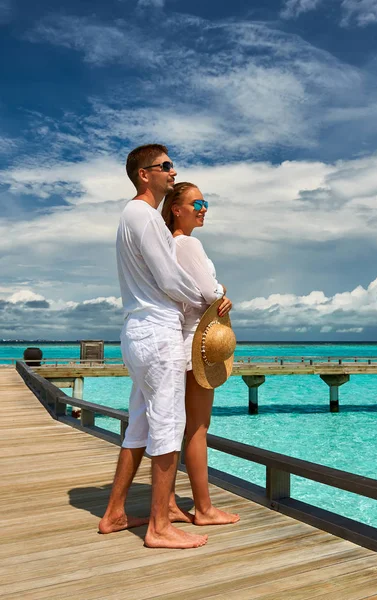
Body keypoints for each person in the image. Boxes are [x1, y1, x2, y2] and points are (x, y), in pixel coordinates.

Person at [99, 145, 212, 549]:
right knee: (168, 427)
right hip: (158, 331)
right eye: (165, 166)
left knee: (141, 425)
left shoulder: (134, 218)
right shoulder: (143, 216)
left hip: (139, 331)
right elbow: (170, 279)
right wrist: (207, 298)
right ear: (144, 175)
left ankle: (114, 512)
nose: (172, 171)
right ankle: (160, 527)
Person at [162, 182, 240, 526]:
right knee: (197, 428)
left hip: (182, 340)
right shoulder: (188, 243)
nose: (204, 208)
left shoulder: (169, 245)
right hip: (199, 344)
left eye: (206, 202)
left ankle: (166, 502)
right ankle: (204, 508)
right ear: (176, 209)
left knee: (178, 426)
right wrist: (223, 290)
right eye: (197, 203)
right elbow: (210, 292)